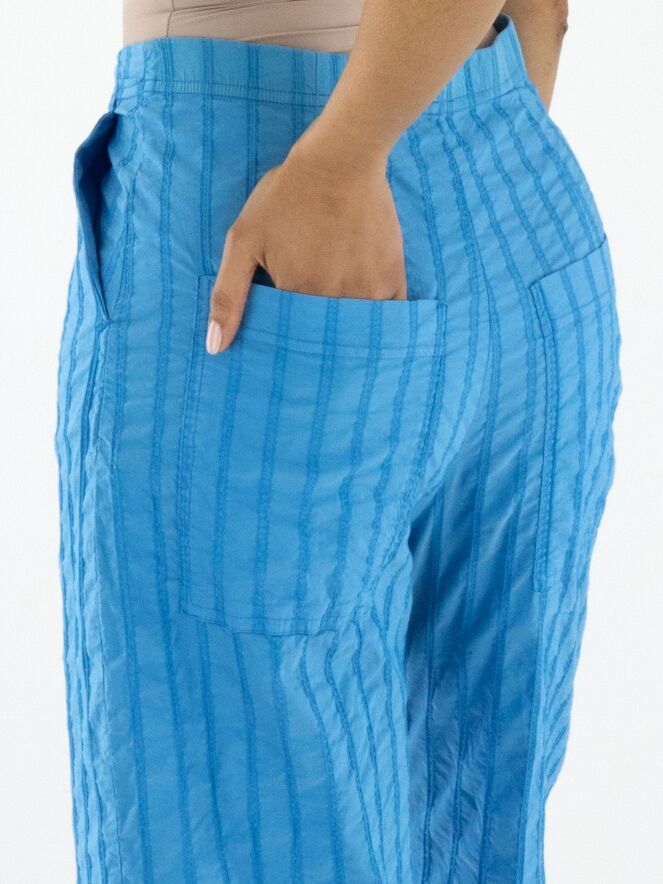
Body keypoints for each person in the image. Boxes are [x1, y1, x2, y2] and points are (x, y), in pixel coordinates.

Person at [55, 0, 621, 880]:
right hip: (511, 192)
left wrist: (344, 159)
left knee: (231, 833)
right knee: (473, 838)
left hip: (268, 196)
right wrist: (452, 151)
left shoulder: (323, 167)